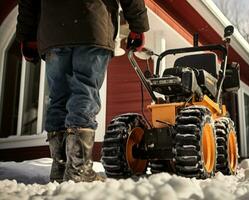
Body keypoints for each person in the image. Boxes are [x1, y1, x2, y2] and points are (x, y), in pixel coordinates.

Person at [16, 0, 149, 183]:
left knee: (58, 98)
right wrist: (138, 26)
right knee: (84, 93)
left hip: (54, 32)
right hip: (92, 25)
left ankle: (60, 167)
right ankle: (78, 169)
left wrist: (26, 36)